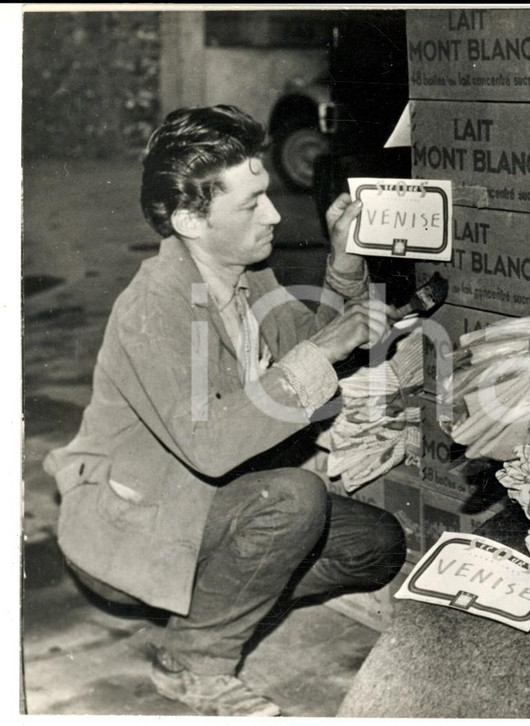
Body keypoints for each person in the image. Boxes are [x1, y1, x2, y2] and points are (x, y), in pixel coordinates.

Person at [43, 105, 407, 717]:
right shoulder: (152, 307)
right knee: (294, 499)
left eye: (266, 193)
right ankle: (193, 660)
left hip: (204, 505)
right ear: (189, 218)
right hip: (130, 525)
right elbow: (211, 445)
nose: (273, 214)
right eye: (250, 205)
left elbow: (304, 351)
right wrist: (327, 345)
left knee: (376, 545)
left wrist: (342, 272)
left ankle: (212, 596)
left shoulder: (247, 272)